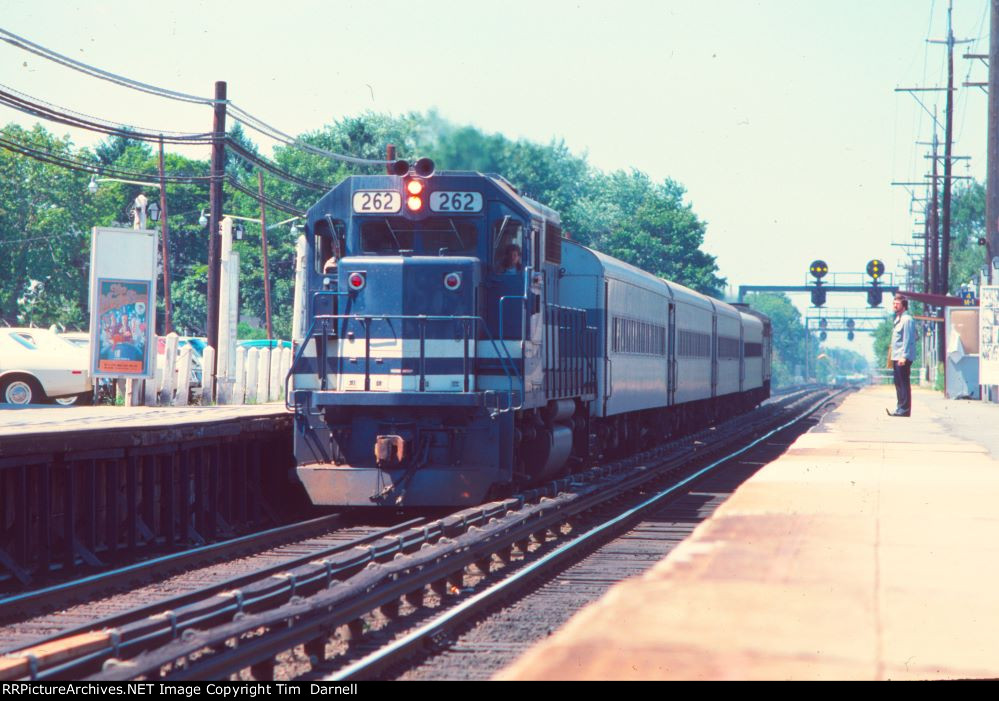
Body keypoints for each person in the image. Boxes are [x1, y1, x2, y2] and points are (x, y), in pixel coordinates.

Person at [887, 293, 916, 417]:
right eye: (893, 304)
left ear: (903, 306)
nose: (894, 306)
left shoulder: (907, 320)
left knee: (903, 383)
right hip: (896, 356)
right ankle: (900, 408)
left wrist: (904, 356)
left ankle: (904, 409)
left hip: (902, 357)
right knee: (898, 383)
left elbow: (908, 339)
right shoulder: (898, 320)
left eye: (897, 304)